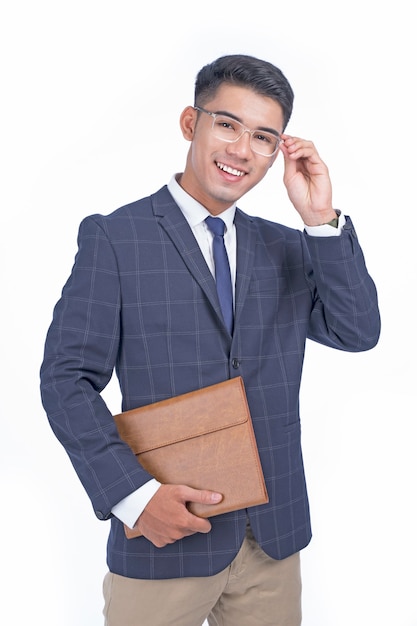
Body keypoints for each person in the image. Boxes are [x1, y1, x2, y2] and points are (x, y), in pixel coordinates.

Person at [40, 54, 380, 626]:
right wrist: (135, 498)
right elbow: (66, 380)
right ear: (189, 123)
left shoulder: (287, 247)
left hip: (272, 541)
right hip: (164, 536)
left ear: (277, 154)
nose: (241, 149)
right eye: (227, 124)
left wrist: (321, 220)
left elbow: (357, 331)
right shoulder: (116, 239)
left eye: (264, 137)